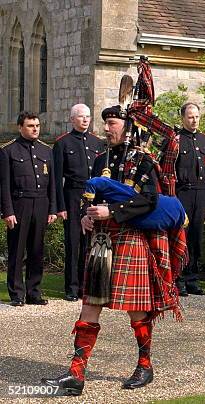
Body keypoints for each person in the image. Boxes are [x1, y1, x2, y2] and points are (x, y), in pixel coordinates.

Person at [42, 105, 185, 395]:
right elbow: (89, 192)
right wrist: (86, 213)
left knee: (136, 310)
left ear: (128, 126)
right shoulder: (100, 159)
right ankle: (76, 375)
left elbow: (151, 201)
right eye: (105, 123)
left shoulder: (145, 161)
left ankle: (145, 365)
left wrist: (113, 211)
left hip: (131, 237)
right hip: (102, 240)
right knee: (90, 304)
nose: (107, 129)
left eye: (112, 123)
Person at [0, 111, 57, 307]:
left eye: (37, 126)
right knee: (16, 251)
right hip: (19, 205)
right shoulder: (8, 151)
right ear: (20, 127)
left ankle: (34, 292)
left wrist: (53, 209)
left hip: (41, 204)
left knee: (37, 250)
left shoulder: (46, 151)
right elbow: (4, 185)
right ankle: (17, 294)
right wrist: (7, 211)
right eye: (31, 126)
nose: (35, 129)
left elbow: (53, 184)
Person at [53, 104, 105, 301]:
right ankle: (72, 288)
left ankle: (87, 286)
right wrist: (60, 206)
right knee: (74, 243)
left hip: (94, 197)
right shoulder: (62, 143)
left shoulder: (98, 143)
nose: (85, 120)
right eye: (81, 117)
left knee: (91, 244)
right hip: (73, 196)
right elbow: (57, 179)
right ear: (72, 119)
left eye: (88, 117)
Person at [174, 102, 205, 296]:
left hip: (202, 193)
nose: (194, 120)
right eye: (190, 117)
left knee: (197, 237)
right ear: (183, 118)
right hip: (183, 193)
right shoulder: (175, 140)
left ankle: (192, 278)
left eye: (197, 116)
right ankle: (179, 279)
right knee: (181, 236)